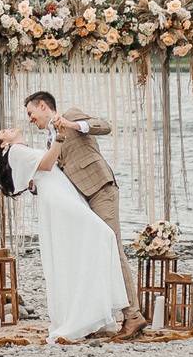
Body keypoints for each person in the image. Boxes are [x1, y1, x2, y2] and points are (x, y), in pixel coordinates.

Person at [0, 105, 131, 343]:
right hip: (59, 199)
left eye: (31, 113)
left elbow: (34, 177)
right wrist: (60, 137)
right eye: (4, 131)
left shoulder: (20, 152)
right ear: (4, 144)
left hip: (62, 195)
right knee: (103, 235)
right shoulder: (15, 151)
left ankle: (95, 311)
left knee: (89, 245)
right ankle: (88, 313)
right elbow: (45, 165)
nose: (11, 127)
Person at [36, 91, 146, 339]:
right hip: (82, 202)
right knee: (93, 255)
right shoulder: (51, 140)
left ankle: (133, 316)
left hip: (101, 190)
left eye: (32, 114)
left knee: (113, 249)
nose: (31, 119)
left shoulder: (71, 115)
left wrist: (71, 124)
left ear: (43, 106)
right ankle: (99, 319)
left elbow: (103, 126)